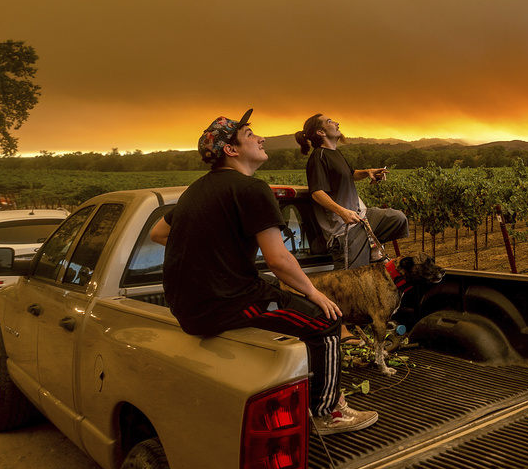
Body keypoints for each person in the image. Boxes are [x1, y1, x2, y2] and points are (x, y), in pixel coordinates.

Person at [149, 109, 377, 432]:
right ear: (232, 150)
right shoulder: (252, 190)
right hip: (229, 305)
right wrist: (315, 293)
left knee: (272, 289)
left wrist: (212, 247)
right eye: (250, 135)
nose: (261, 138)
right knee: (328, 320)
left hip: (188, 311)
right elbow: (277, 259)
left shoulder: (194, 192)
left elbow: (157, 233)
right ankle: (328, 412)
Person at [295, 113, 408, 270]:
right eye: (329, 122)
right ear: (321, 132)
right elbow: (317, 192)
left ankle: (370, 248)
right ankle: (367, 249)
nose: (337, 123)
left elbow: (350, 173)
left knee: (397, 219)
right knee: (353, 280)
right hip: (344, 230)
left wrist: (368, 172)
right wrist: (343, 212)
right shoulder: (318, 157)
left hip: (361, 218)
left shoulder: (336, 153)